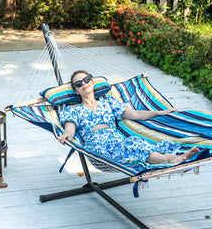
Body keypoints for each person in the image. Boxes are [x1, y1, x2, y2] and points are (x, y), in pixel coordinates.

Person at [58, 70, 200, 165]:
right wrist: (65, 136)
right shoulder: (73, 110)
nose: (84, 84)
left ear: (92, 82)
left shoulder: (109, 103)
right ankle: (171, 159)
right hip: (98, 148)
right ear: (76, 91)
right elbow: (70, 129)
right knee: (133, 144)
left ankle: (174, 157)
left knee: (135, 141)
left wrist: (160, 112)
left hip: (117, 141)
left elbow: (136, 114)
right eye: (78, 84)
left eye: (86, 79)